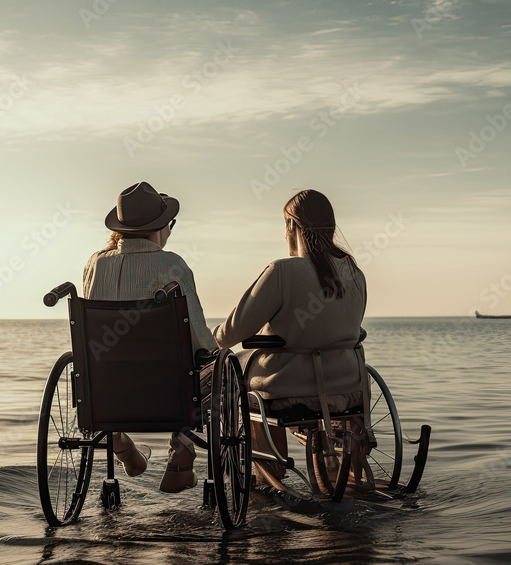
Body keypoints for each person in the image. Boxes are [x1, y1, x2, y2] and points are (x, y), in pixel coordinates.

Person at [213, 189, 367, 484]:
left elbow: (234, 330)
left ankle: (269, 474)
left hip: (288, 388)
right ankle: (332, 461)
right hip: (347, 387)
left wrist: (210, 340)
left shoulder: (283, 271)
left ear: (293, 227)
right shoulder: (354, 273)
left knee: (234, 377)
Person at [82, 181, 217, 493]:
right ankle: (181, 458)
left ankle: (123, 448)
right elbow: (199, 341)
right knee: (221, 368)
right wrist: (215, 350)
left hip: (105, 392)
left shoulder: (94, 264)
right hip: (168, 392)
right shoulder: (171, 264)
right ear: (160, 227)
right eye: (170, 224)